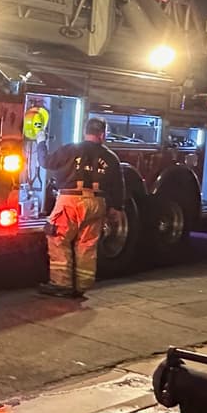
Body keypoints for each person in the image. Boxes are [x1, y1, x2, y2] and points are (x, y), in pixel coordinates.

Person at [39, 117, 125, 298]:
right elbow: (118, 185)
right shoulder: (111, 157)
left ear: (85, 132)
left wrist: (40, 142)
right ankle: (82, 285)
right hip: (97, 204)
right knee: (87, 244)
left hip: (71, 201)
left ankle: (61, 284)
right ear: (102, 135)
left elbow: (46, 162)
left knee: (58, 238)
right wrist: (116, 208)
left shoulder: (70, 149)